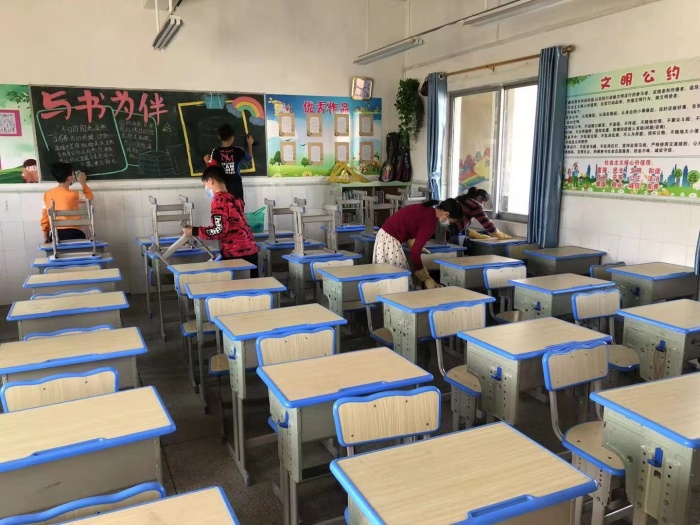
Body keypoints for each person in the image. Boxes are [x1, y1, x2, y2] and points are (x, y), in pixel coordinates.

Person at [183, 165, 259, 277]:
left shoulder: (219, 201)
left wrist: (194, 231)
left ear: (211, 181)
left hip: (236, 253)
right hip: (250, 249)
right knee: (253, 286)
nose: (206, 188)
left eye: (205, 184)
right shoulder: (234, 198)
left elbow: (219, 230)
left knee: (238, 287)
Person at [373, 199, 463, 290]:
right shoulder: (430, 222)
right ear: (446, 214)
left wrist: (414, 245)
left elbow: (407, 226)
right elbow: (415, 253)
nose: (449, 224)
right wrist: (426, 278)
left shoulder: (426, 209)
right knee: (399, 282)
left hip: (383, 236)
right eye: (451, 221)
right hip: (389, 241)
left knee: (388, 281)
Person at [40, 162, 93, 243]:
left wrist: (46, 237)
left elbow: (45, 218)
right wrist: (83, 183)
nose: (74, 176)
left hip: (56, 235)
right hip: (75, 234)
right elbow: (90, 198)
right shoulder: (74, 194)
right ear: (69, 178)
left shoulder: (47, 194)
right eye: (73, 174)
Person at [206, 123, 254, 202]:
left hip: (222, 188)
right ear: (232, 138)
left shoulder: (216, 152)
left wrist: (207, 161)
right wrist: (249, 144)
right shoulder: (238, 151)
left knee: (224, 208)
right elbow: (249, 158)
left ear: (219, 137)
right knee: (238, 207)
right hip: (236, 187)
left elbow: (211, 169)